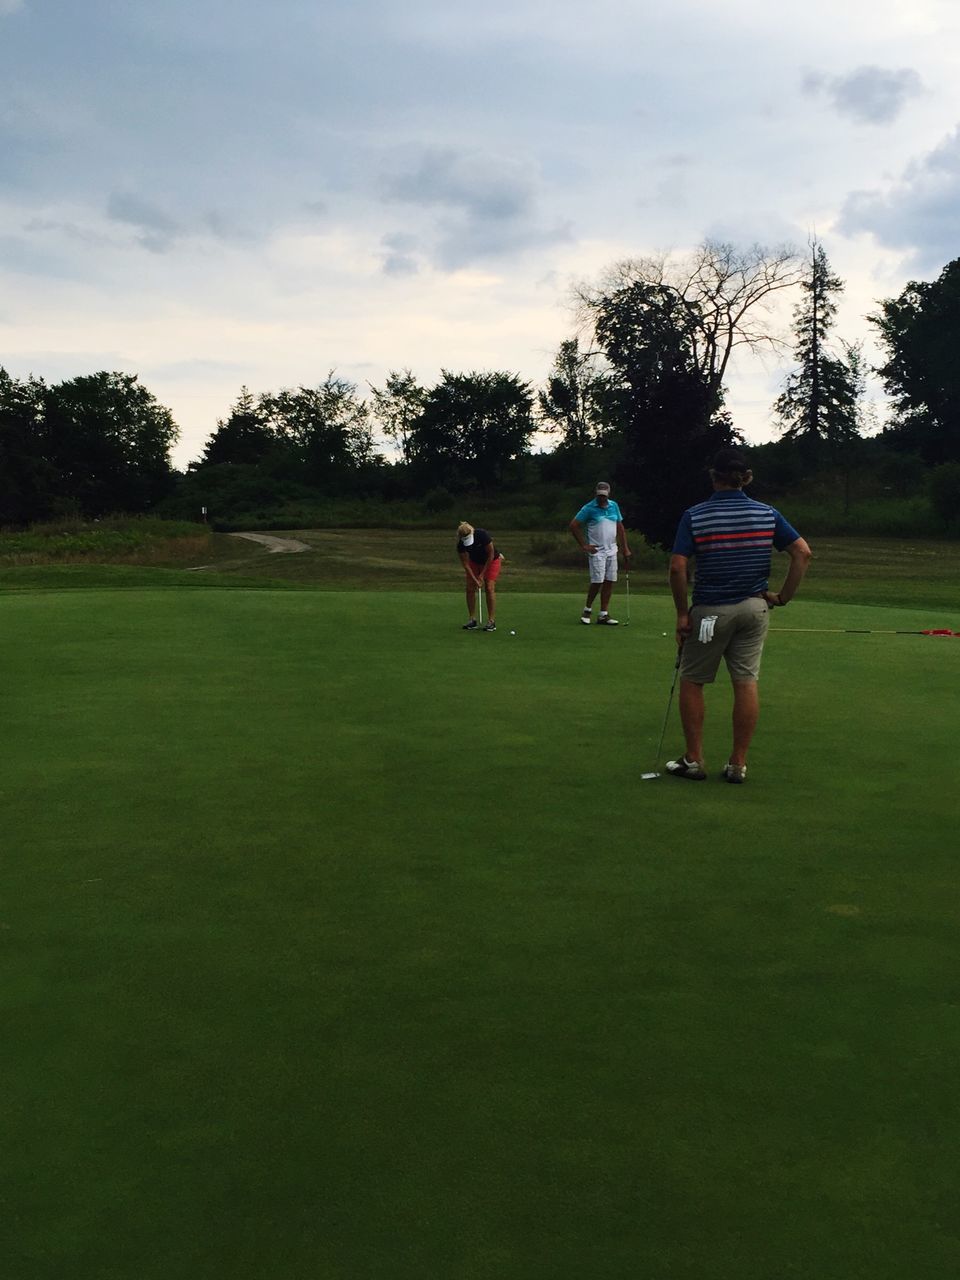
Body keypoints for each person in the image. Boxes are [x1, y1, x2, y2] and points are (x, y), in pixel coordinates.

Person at [666, 447, 812, 783]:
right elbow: (802, 553)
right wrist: (783, 597)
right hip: (754, 607)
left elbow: (677, 567)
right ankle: (737, 764)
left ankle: (694, 759)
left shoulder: (696, 515)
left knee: (693, 679)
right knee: (745, 682)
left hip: (710, 612)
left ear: (713, 476)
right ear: (746, 478)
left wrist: (680, 613)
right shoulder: (767, 513)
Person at [569, 482, 632, 625]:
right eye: (599, 496)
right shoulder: (589, 508)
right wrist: (584, 545)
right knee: (597, 581)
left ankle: (603, 614)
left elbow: (620, 528)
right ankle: (587, 610)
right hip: (597, 551)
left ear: (608, 494)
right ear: (596, 494)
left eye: (604, 496)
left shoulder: (614, 506)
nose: (601, 498)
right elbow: (573, 525)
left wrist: (625, 548)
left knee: (610, 580)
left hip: (612, 549)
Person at [457, 522, 502, 632]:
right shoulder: (461, 544)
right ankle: (472, 619)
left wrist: (481, 575)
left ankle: (491, 621)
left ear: (472, 532)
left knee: (489, 587)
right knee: (470, 588)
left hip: (491, 561)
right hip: (474, 563)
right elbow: (466, 564)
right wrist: (474, 579)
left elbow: (491, 554)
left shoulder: (482, 534)